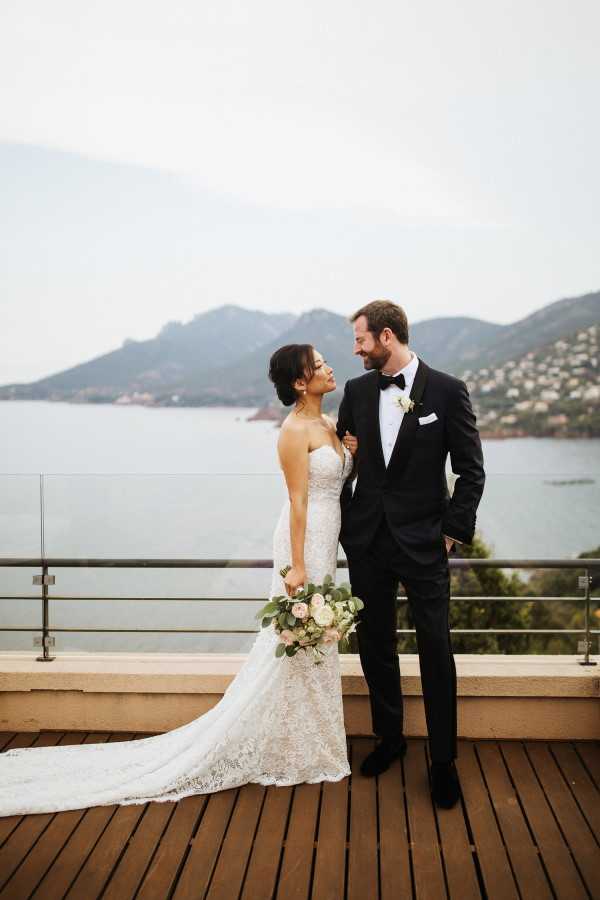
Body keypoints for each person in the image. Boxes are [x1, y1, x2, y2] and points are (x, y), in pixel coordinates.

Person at [0, 344, 356, 816]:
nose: (330, 367)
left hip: (326, 541)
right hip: (303, 543)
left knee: (314, 643)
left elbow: (339, 484)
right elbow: (298, 502)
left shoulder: (330, 425)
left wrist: (353, 455)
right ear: (299, 381)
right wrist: (298, 564)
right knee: (293, 639)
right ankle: (295, 746)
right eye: (319, 364)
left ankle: (310, 743)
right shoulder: (292, 431)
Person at [336, 300, 485, 809]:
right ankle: (390, 740)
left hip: (425, 543)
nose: (355, 350)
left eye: (360, 340)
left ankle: (442, 762)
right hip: (368, 542)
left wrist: (451, 532)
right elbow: (340, 460)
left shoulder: (447, 390)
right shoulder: (356, 392)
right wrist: (344, 524)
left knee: (436, 651)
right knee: (374, 643)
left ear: (385, 337)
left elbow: (471, 470)